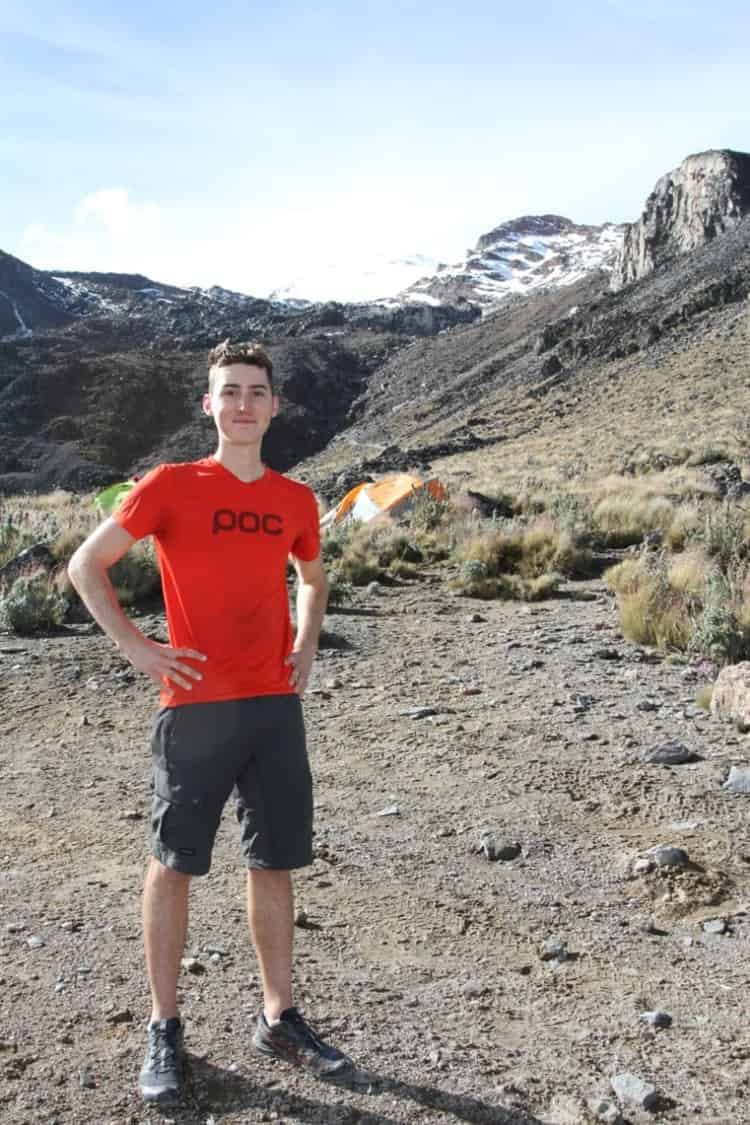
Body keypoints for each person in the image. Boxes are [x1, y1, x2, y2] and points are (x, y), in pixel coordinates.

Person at [68, 339, 351, 1104]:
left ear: (275, 405)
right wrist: (138, 648)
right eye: (230, 392)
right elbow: (85, 565)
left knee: (274, 859)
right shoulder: (171, 485)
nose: (244, 405)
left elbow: (313, 578)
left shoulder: (295, 500)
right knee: (176, 861)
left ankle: (279, 1015)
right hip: (194, 706)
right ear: (209, 404)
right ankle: (165, 1025)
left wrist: (305, 642)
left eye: (257, 391)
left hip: (272, 706)